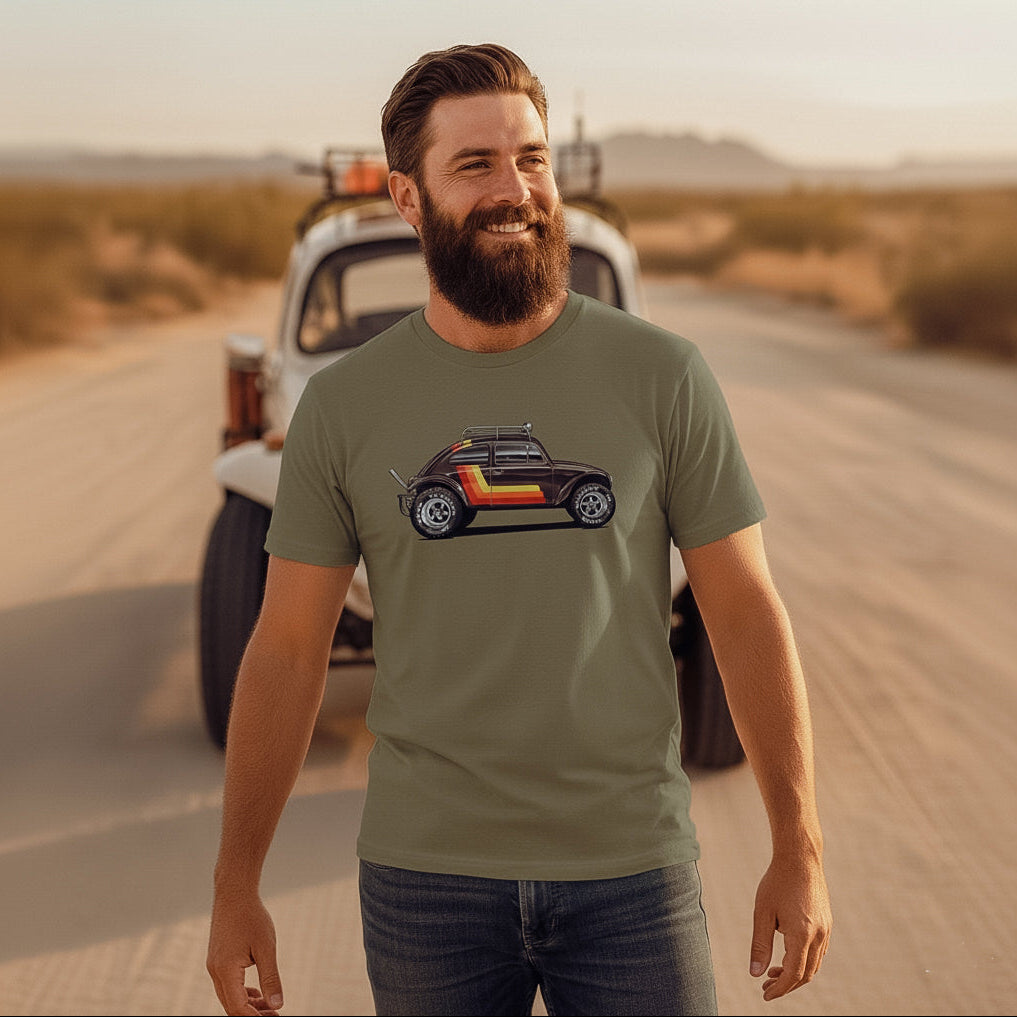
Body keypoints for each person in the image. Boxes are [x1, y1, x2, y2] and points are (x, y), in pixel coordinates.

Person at [206, 43, 831, 1017]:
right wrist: (235, 883)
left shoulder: (664, 376)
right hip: (427, 882)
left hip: (632, 872)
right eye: (476, 165)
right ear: (408, 200)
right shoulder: (340, 408)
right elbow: (287, 651)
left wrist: (800, 850)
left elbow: (744, 612)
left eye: (531, 158)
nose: (518, 189)